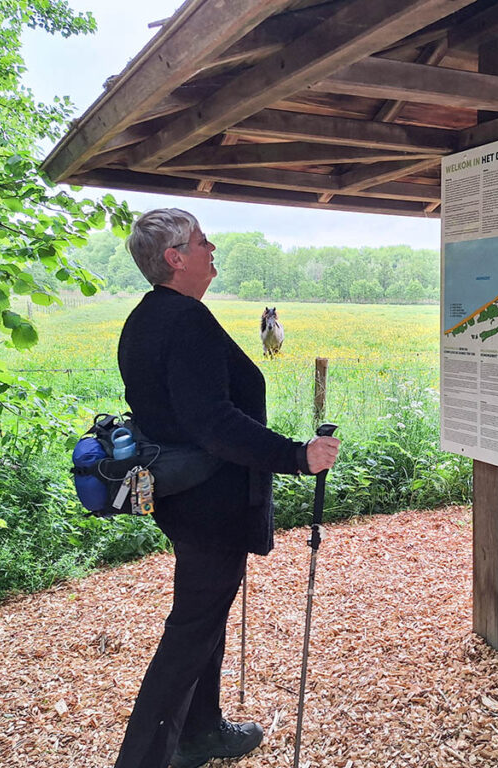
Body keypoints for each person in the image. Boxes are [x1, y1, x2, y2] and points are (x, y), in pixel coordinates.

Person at [113, 208, 340, 768]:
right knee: (190, 630)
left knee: (204, 617)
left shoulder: (148, 318)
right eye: (201, 241)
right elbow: (211, 421)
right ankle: (143, 759)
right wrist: (295, 455)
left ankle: (202, 732)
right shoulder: (184, 321)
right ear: (175, 258)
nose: (212, 247)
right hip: (209, 504)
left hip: (183, 498)